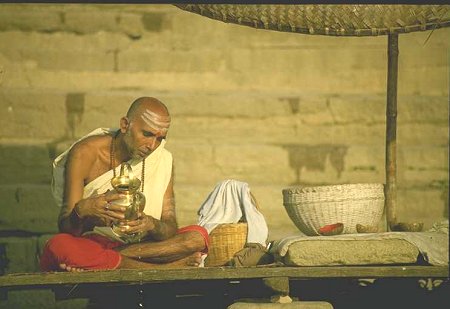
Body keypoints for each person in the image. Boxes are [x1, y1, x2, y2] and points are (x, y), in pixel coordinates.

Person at [40, 97, 209, 272]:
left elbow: (170, 226)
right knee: (58, 246)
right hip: (95, 242)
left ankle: (110, 259)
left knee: (197, 237)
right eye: (147, 134)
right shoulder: (85, 153)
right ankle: (166, 268)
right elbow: (66, 227)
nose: (152, 145)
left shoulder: (162, 158)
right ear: (124, 125)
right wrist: (83, 209)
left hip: (142, 245)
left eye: (160, 139)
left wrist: (151, 224)